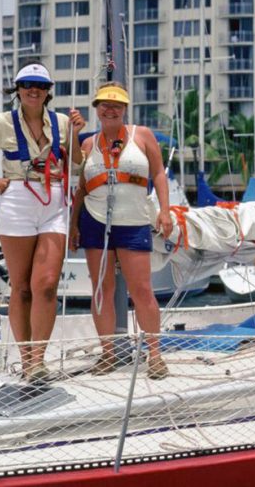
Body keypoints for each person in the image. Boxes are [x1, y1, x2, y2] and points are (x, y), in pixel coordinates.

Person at [0, 62, 85, 382]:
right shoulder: (3, 123)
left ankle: (38, 360)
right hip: (16, 201)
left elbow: (79, 164)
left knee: (46, 284)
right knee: (22, 287)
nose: (33, 90)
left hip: (54, 201)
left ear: (47, 92)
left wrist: (77, 136)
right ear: (17, 89)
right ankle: (27, 361)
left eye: (40, 86)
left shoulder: (63, 122)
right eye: (27, 84)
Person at [69, 82, 173, 380]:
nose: (110, 108)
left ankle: (155, 354)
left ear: (125, 108)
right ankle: (108, 354)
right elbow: (80, 189)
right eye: (104, 104)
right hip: (95, 220)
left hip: (133, 220)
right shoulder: (88, 145)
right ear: (97, 109)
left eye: (116, 104)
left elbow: (158, 174)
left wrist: (164, 211)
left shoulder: (142, 135)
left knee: (141, 289)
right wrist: (74, 224)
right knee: (102, 289)